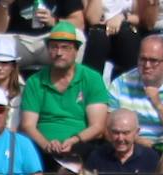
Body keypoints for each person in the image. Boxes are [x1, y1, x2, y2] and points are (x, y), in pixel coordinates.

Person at [19, 21, 108, 164]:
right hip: (41, 146)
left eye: (65, 48)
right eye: (54, 47)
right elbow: (28, 125)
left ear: (76, 50)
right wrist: (46, 144)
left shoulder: (92, 78)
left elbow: (97, 126)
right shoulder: (35, 81)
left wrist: (74, 140)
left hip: (80, 143)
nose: (59, 53)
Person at [107, 34, 163, 148]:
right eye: (143, 59)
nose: (147, 65)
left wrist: (158, 104)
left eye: (153, 60)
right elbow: (108, 128)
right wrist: (137, 140)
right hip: (132, 146)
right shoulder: (121, 83)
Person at [0, 0, 85, 72]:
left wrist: (54, 21)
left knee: (78, 36)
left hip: (50, 42)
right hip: (18, 42)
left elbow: (79, 23)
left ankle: (69, 86)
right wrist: (4, 4)